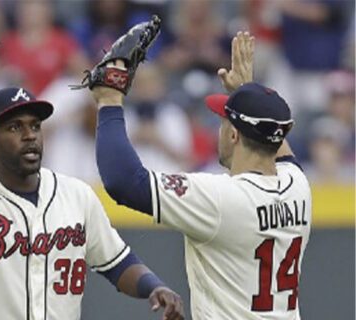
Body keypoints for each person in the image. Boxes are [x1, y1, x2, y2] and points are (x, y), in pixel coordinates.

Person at [92, 32, 311, 319]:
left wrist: (109, 101)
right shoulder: (297, 185)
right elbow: (280, 147)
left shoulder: (220, 197)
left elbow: (124, 182)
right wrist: (248, 91)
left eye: (222, 120)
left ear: (233, 134)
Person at [0, 86, 184, 319]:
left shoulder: (76, 194)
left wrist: (155, 286)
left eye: (35, 126)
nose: (29, 135)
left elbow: (117, 263)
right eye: (15, 127)